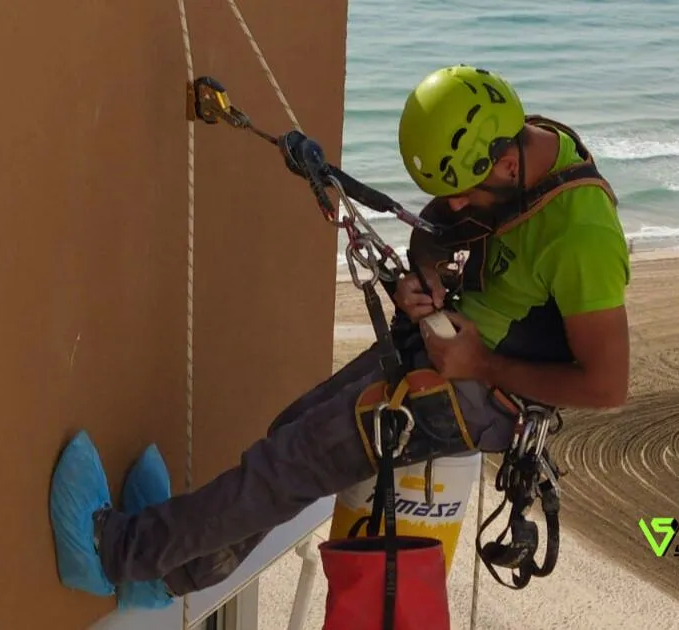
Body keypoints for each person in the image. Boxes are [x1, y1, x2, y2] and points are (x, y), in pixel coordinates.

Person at [48, 63, 631, 604]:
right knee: (291, 434)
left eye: (464, 194)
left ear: (506, 165)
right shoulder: (513, 153)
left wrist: (480, 365)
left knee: (291, 463)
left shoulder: (581, 238)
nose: (455, 205)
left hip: (478, 395)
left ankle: (117, 553)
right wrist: (425, 275)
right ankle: (176, 571)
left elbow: (607, 386)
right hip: (443, 348)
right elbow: (439, 228)